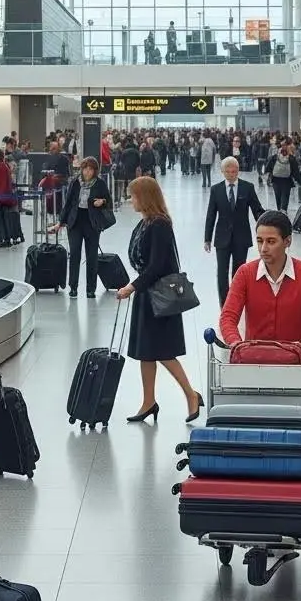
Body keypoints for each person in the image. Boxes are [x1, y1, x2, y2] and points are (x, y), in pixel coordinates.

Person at [117, 176, 204, 424]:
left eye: (134, 196)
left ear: (145, 197)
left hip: (159, 297)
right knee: (146, 352)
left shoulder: (159, 225)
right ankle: (148, 401)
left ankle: (191, 394)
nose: (131, 200)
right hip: (148, 295)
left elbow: (156, 266)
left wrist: (132, 287)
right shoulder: (145, 223)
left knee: (163, 351)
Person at [219, 210, 301, 349]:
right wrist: (234, 341)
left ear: (287, 241)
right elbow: (228, 316)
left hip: (294, 358)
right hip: (253, 357)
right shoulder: (245, 273)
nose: (263, 248)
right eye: (260, 241)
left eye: (271, 241)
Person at [204, 156, 263, 307]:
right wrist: (207, 238)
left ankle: (237, 302)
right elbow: (211, 215)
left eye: (234, 171)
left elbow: (257, 210)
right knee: (222, 273)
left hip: (241, 237)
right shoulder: (216, 190)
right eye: (228, 171)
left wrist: (268, 226)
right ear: (222, 172)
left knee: (239, 272)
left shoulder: (247, 187)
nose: (231, 174)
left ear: (238, 171)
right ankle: (224, 304)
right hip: (222, 238)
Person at [51, 156, 113, 299]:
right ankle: (73, 287)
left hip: (92, 223)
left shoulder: (100, 183)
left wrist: (102, 201)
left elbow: (109, 201)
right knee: (74, 254)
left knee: (92, 256)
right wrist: (60, 222)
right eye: (85, 169)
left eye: (91, 169)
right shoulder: (75, 182)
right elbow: (68, 203)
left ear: (95, 171)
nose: (87, 172)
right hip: (75, 222)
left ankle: (91, 289)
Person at [0, 147, 21, 248]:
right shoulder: (5, 166)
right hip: (5, 197)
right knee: (5, 219)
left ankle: (3, 239)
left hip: (0, 198)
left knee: (0, 219)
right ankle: (6, 238)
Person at [267, 139, 300, 214]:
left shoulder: (275, 157)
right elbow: (295, 170)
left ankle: (280, 210)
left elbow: (269, 166)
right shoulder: (291, 158)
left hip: (276, 179)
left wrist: (269, 176)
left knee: (278, 195)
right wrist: (298, 180)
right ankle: (284, 210)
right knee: (285, 195)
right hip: (287, 180)